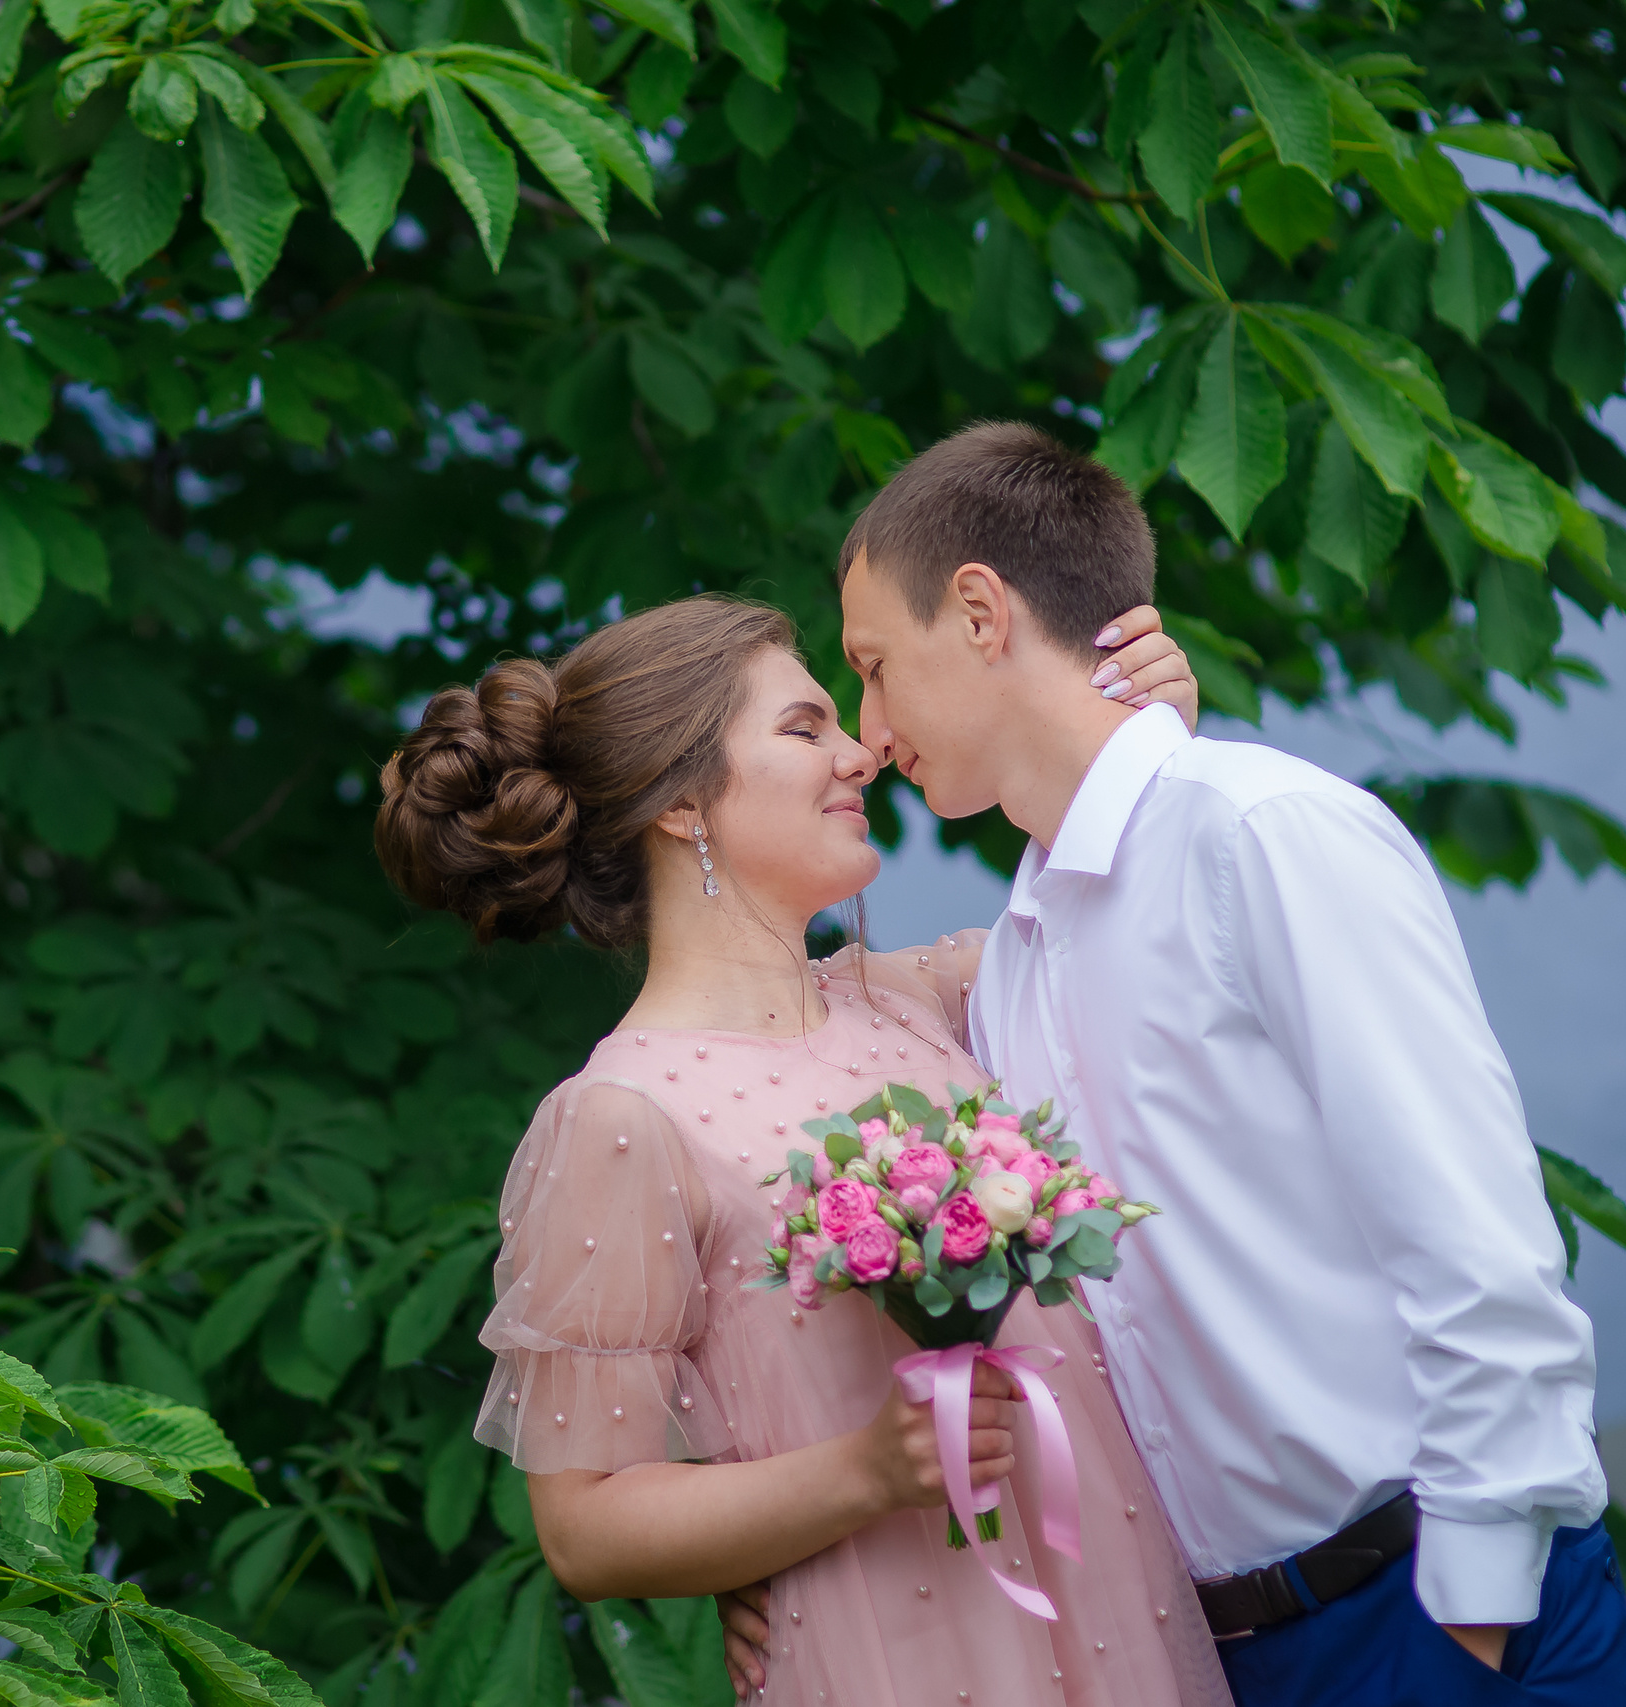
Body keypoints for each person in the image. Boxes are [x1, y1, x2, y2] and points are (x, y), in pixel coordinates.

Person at [721, 420, 1626, 1707]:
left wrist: (1470, 1624)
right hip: (1222, 1650)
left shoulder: (1258, 836)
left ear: (980, 612)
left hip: (1430, 1602)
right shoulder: (1024, 958)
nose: (866, 735)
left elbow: (1473, 1239)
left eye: (871, 669)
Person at [375, 594, 1233, 1707]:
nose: (862, 753)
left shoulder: (923, 998)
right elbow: (586, 1527)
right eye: (804, 728)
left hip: (1116, 1617)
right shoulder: (620, 1115)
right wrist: (862, 1473)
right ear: (683, 803)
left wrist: (1139, 734)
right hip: (894, 1655)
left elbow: (1132, 933)